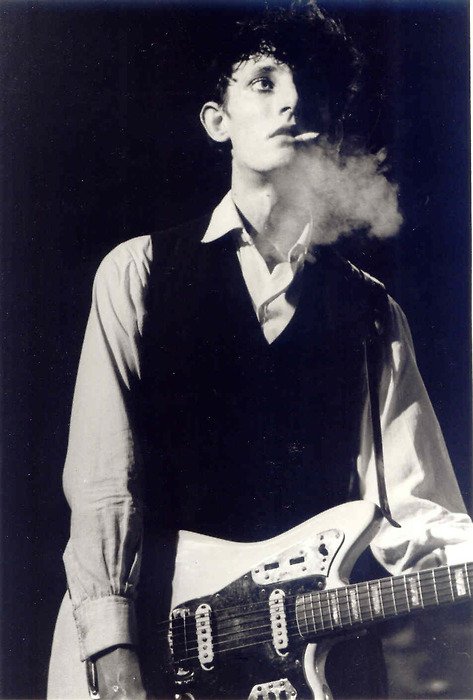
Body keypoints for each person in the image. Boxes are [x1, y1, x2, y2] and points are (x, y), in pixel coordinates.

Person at [48, 3, 473, 699]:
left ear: (332, 130)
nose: (292, 100)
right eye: (265, 81)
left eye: (310, 85)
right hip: (159, 659)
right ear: (217, 121)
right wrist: (113, 650)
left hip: (326, 670)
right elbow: (102, 487)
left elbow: (416, 515)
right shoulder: (137, 273)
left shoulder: (372, 312)